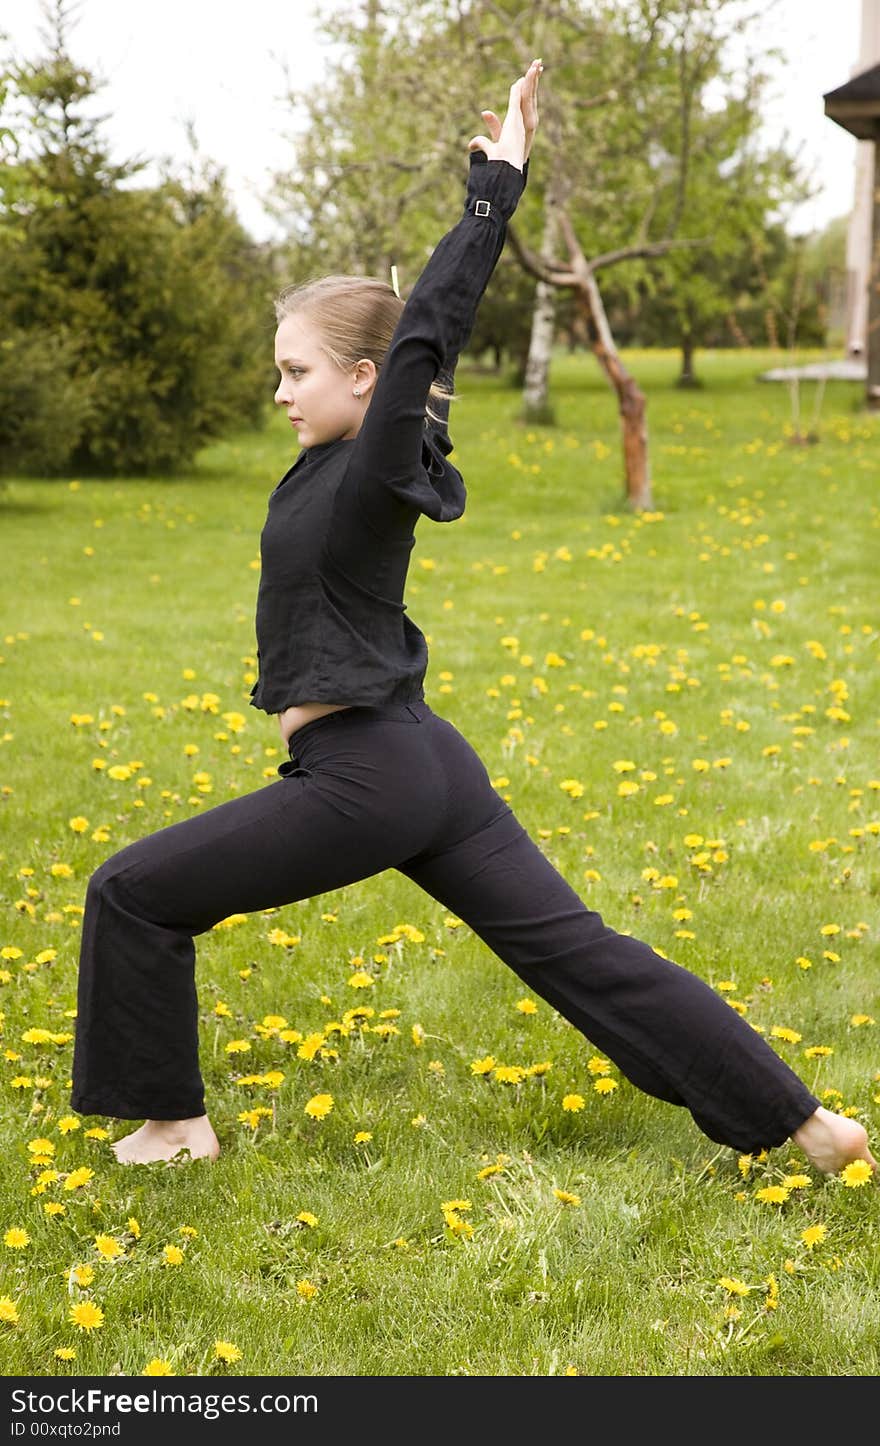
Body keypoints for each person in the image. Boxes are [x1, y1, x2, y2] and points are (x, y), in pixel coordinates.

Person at [71, 59, 876, 1179]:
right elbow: (401, 376)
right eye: (275, 373)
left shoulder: (370, 464)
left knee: (131, 891)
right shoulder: (333, 466)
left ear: (365, 379)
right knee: (583, 957)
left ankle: (173, 1124)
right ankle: (808, 1126)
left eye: (296, 371)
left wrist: (493, 193)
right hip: (422, 762)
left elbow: (424, 340)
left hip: (364, 775)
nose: (280, 392)